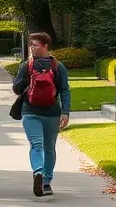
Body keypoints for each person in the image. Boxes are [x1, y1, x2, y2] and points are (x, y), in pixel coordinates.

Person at [12, 32, 71, 197]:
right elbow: (17, 89)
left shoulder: (56, 67)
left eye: (35, 45)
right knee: (42, 146)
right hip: (33, 112)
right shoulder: (29, 66)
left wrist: (65, 112)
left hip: (47, 112)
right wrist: (26, 81)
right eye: (31, 45)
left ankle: (41, 175)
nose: (32, 47)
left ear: (45, 46)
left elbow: (64, 91)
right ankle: (42, 177)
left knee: (45, 147)